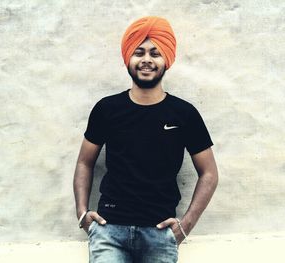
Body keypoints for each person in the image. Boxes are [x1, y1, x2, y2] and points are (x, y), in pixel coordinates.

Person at [73, 16, 218, 263]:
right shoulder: (107, 109)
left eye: (155, 53)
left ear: (167, 61)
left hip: (160, 233)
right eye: (139, 52)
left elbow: (209, 174)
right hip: (109, 231)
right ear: (128, 58)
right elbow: (84, 163)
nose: (147, 60)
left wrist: (186, 225)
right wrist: (82, 213)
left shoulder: (184, 114)